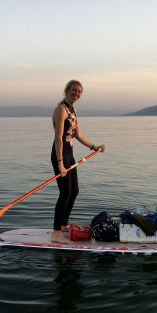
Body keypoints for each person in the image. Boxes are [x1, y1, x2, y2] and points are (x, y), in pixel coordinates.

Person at [51, 80, 105, 244]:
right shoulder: (61, 109)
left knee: (74, 191)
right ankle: (56, 233)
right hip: (60, 155)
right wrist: (60, 163)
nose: (77, 94)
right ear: (67, 90)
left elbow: (78, 134)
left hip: (70, 156)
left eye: (79, 92)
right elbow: (59, 139)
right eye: (74, 90)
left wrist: (94, 146)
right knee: (65, 193)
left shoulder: (72, 110)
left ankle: (63, 224)